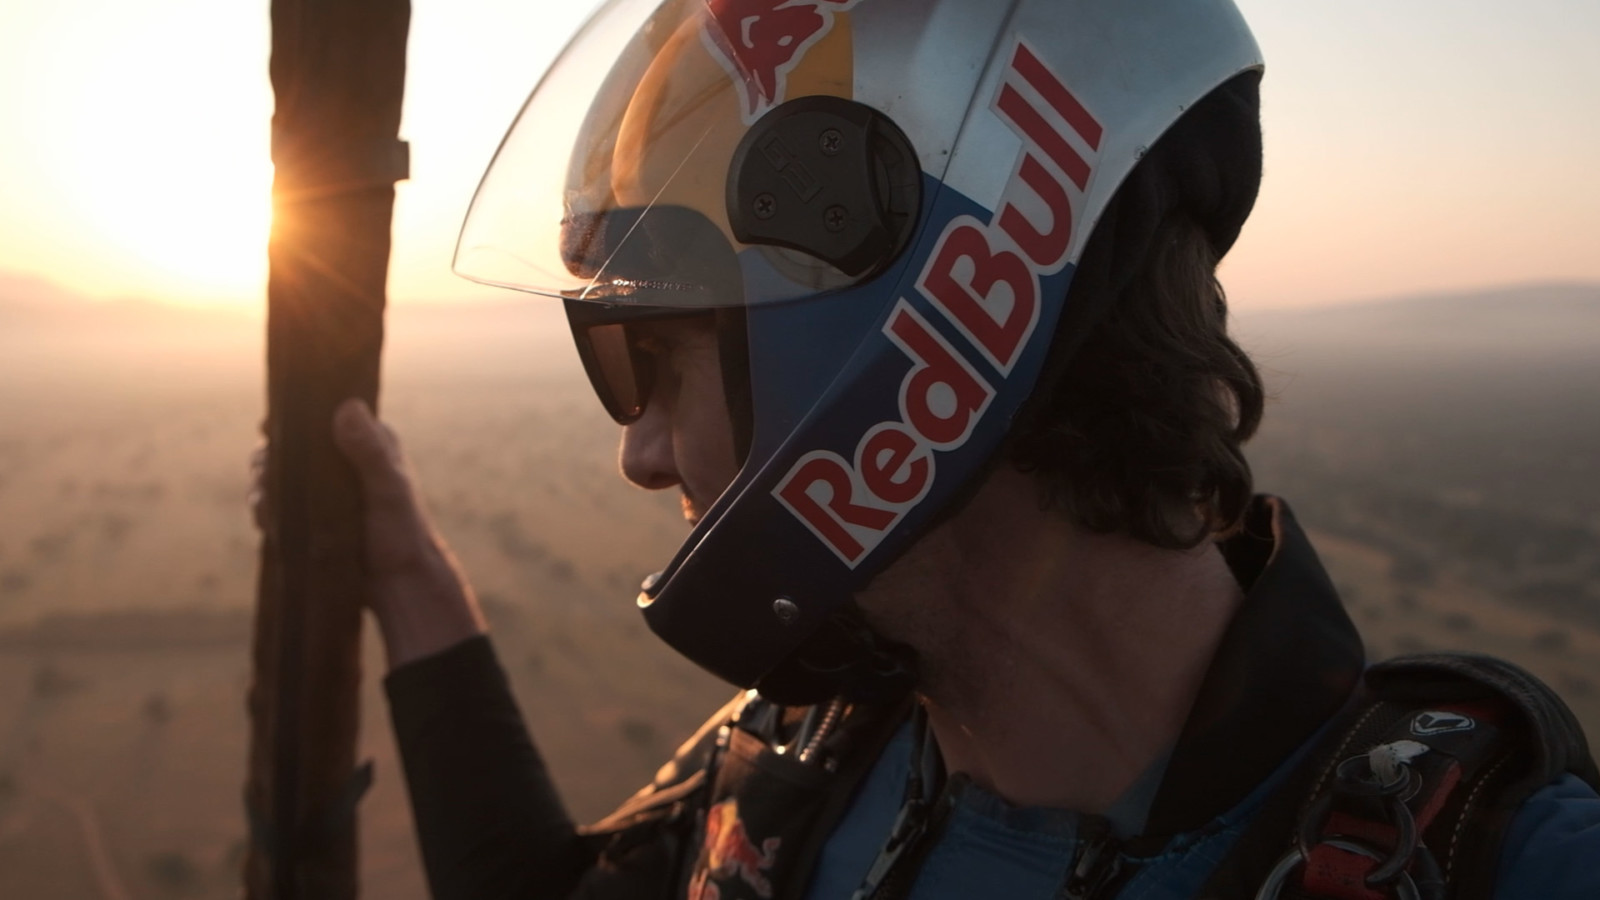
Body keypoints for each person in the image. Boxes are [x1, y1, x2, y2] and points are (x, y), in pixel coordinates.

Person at [323, 0, 1600, 896]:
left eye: (646, 362)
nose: (642, 455)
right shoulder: (801, 767)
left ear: (911, 315)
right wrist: (412, 578)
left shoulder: (1498, 862)